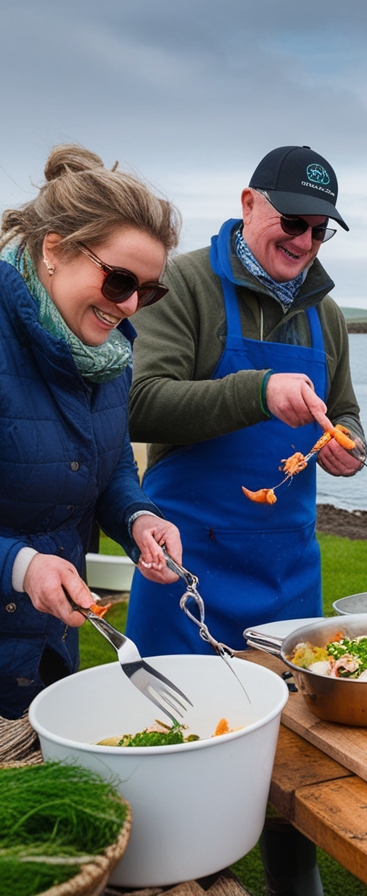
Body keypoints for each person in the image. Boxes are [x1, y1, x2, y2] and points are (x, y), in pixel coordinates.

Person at [126, 145, 365, 896]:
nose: (304, 241)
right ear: (249, 203)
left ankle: (298, 884)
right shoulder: (187, 283)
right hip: (184, 567)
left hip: (288, 575)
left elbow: (348, 411)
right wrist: (256, 391)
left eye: (322, 230)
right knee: (180, 760)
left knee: (294, 762)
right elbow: (141, 400)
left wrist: (349, 447)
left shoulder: (326, 312)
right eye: (293, 220)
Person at [0, 144, 184, 719]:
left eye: (148, 291)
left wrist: (138, 518)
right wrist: (21, 565)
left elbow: (107, 465)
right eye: (120, 281)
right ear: (55, 250)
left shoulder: (109, 355)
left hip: (48, 651)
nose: (130, 306)